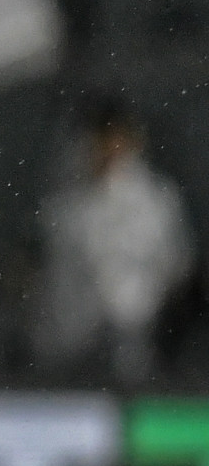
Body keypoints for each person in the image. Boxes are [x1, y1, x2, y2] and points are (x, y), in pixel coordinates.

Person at [36, 98, 194, 385]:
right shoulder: (65, 205)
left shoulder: (155, 200)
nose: (108, 148)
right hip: (71, 345)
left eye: (115, 140)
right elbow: (55, 280)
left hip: (140, 340)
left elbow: (176, 265)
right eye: (100, 140)